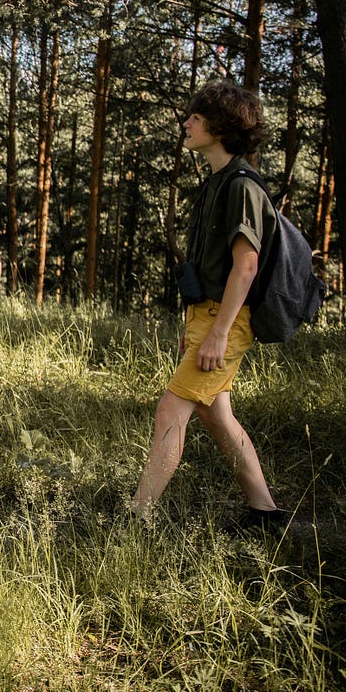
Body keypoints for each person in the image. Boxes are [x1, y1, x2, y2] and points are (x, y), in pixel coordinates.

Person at [131, 82, 287, 529]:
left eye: (195, 118)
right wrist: (197, 325)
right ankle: (265, 512)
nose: (186, 124)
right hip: (208, 315)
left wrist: (218, 333)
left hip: (228, 319)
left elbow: (246, 266)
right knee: (216, 412)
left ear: (220, 128)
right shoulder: (219, 182)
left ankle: (137, 519)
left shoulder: (242, 186)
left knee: (171, 411)